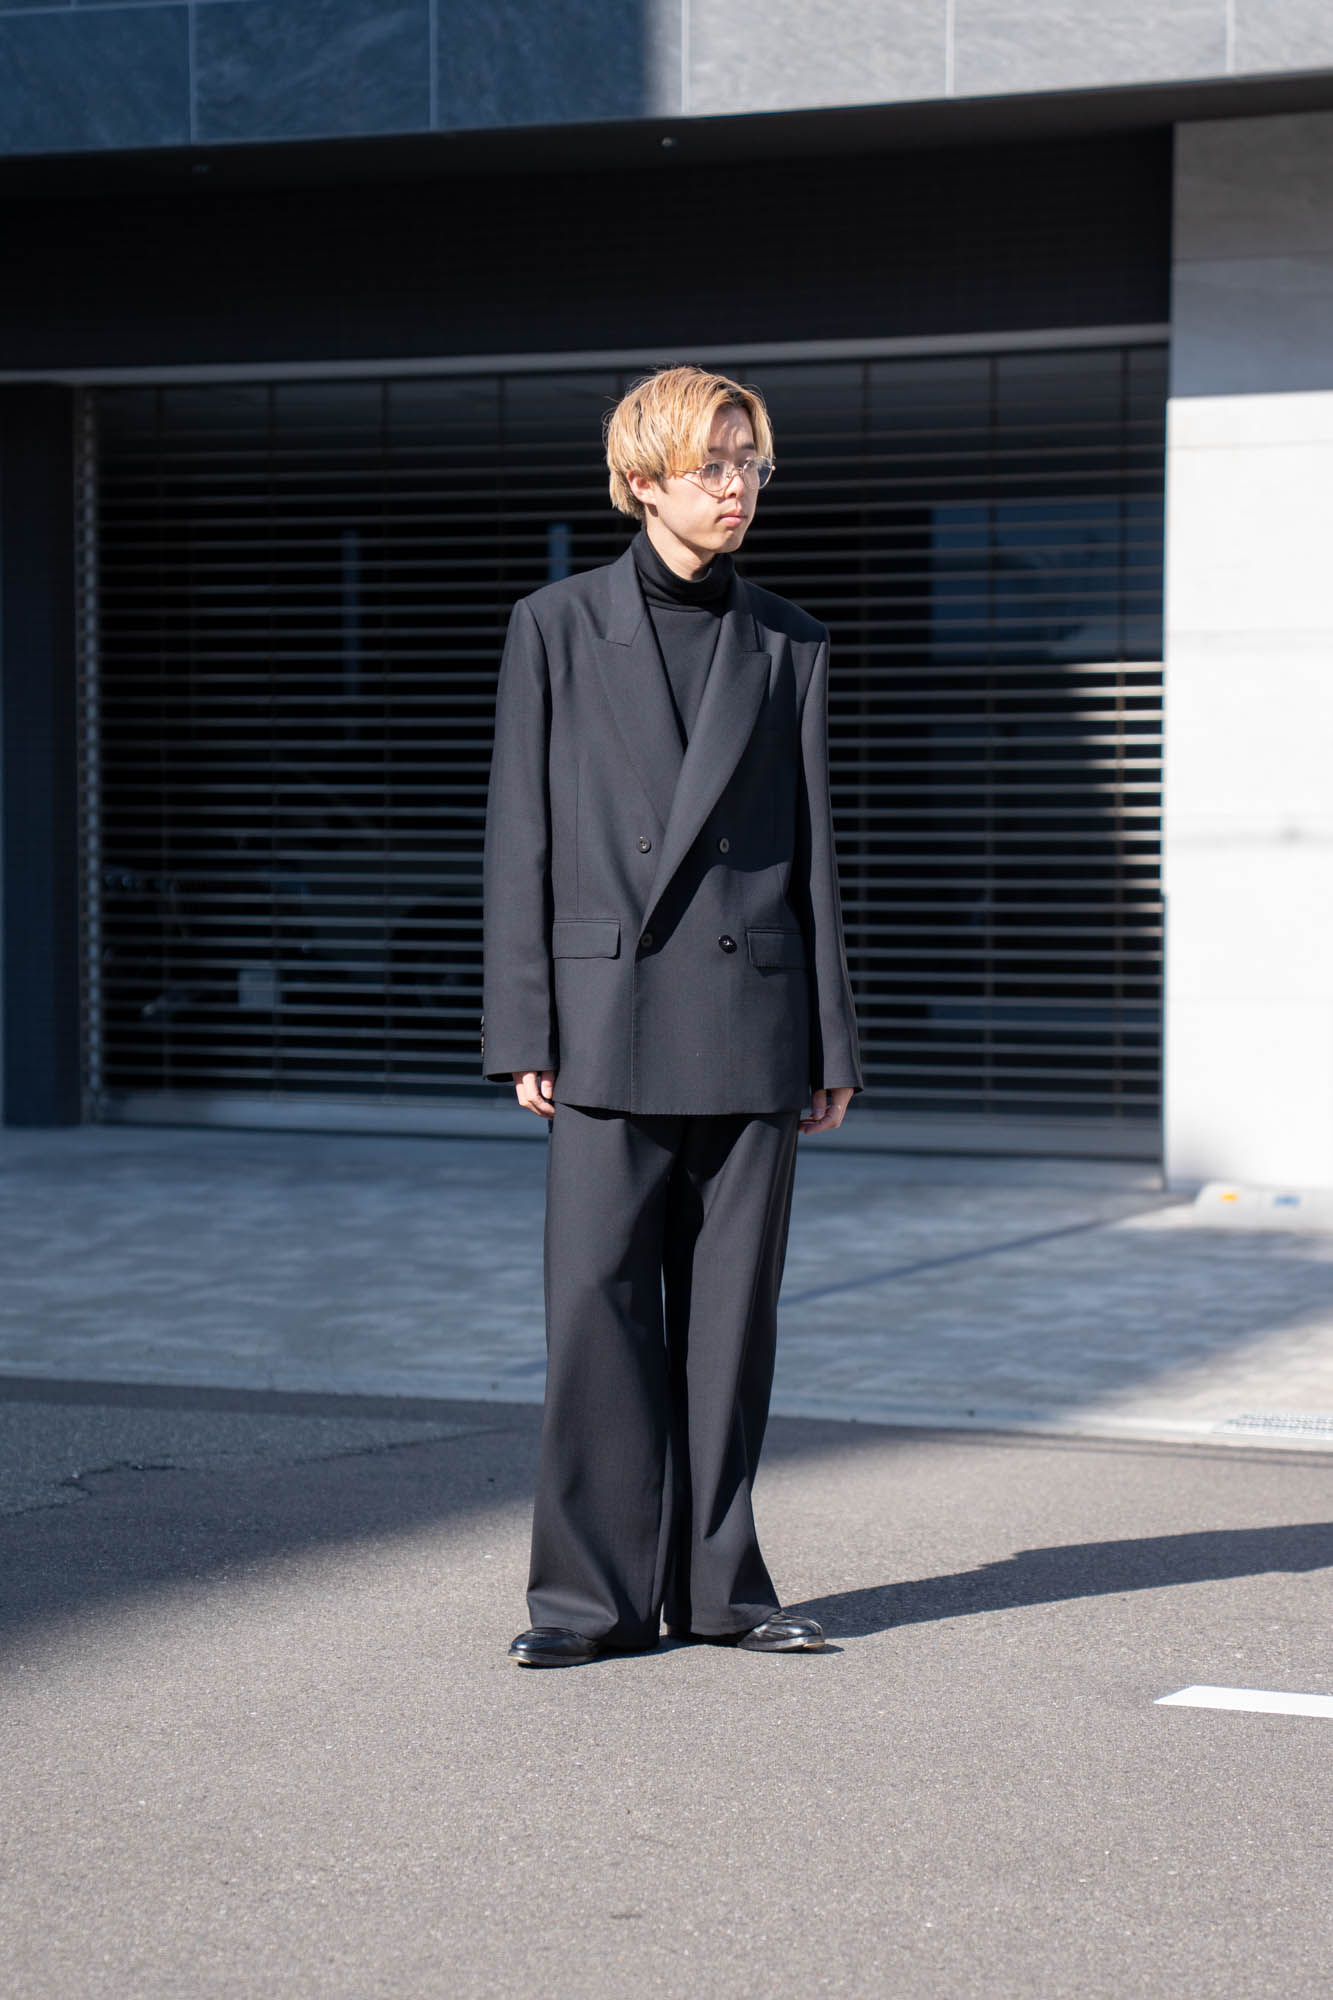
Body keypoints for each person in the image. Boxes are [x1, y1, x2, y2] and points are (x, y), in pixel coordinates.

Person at [481, 365, 861, 1666]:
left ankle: (719, 1594)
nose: (739, 487)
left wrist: (831, 1040)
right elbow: (520, 839)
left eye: (752, 464)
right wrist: (523, 1028)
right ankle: (585, 1604)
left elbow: (812, 855)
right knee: (597, 1314)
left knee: (728, 1326)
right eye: (714, 465)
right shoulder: (553, 626)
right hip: (605, 1017)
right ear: (642, 480)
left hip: (752, 1019)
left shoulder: (789, 641)